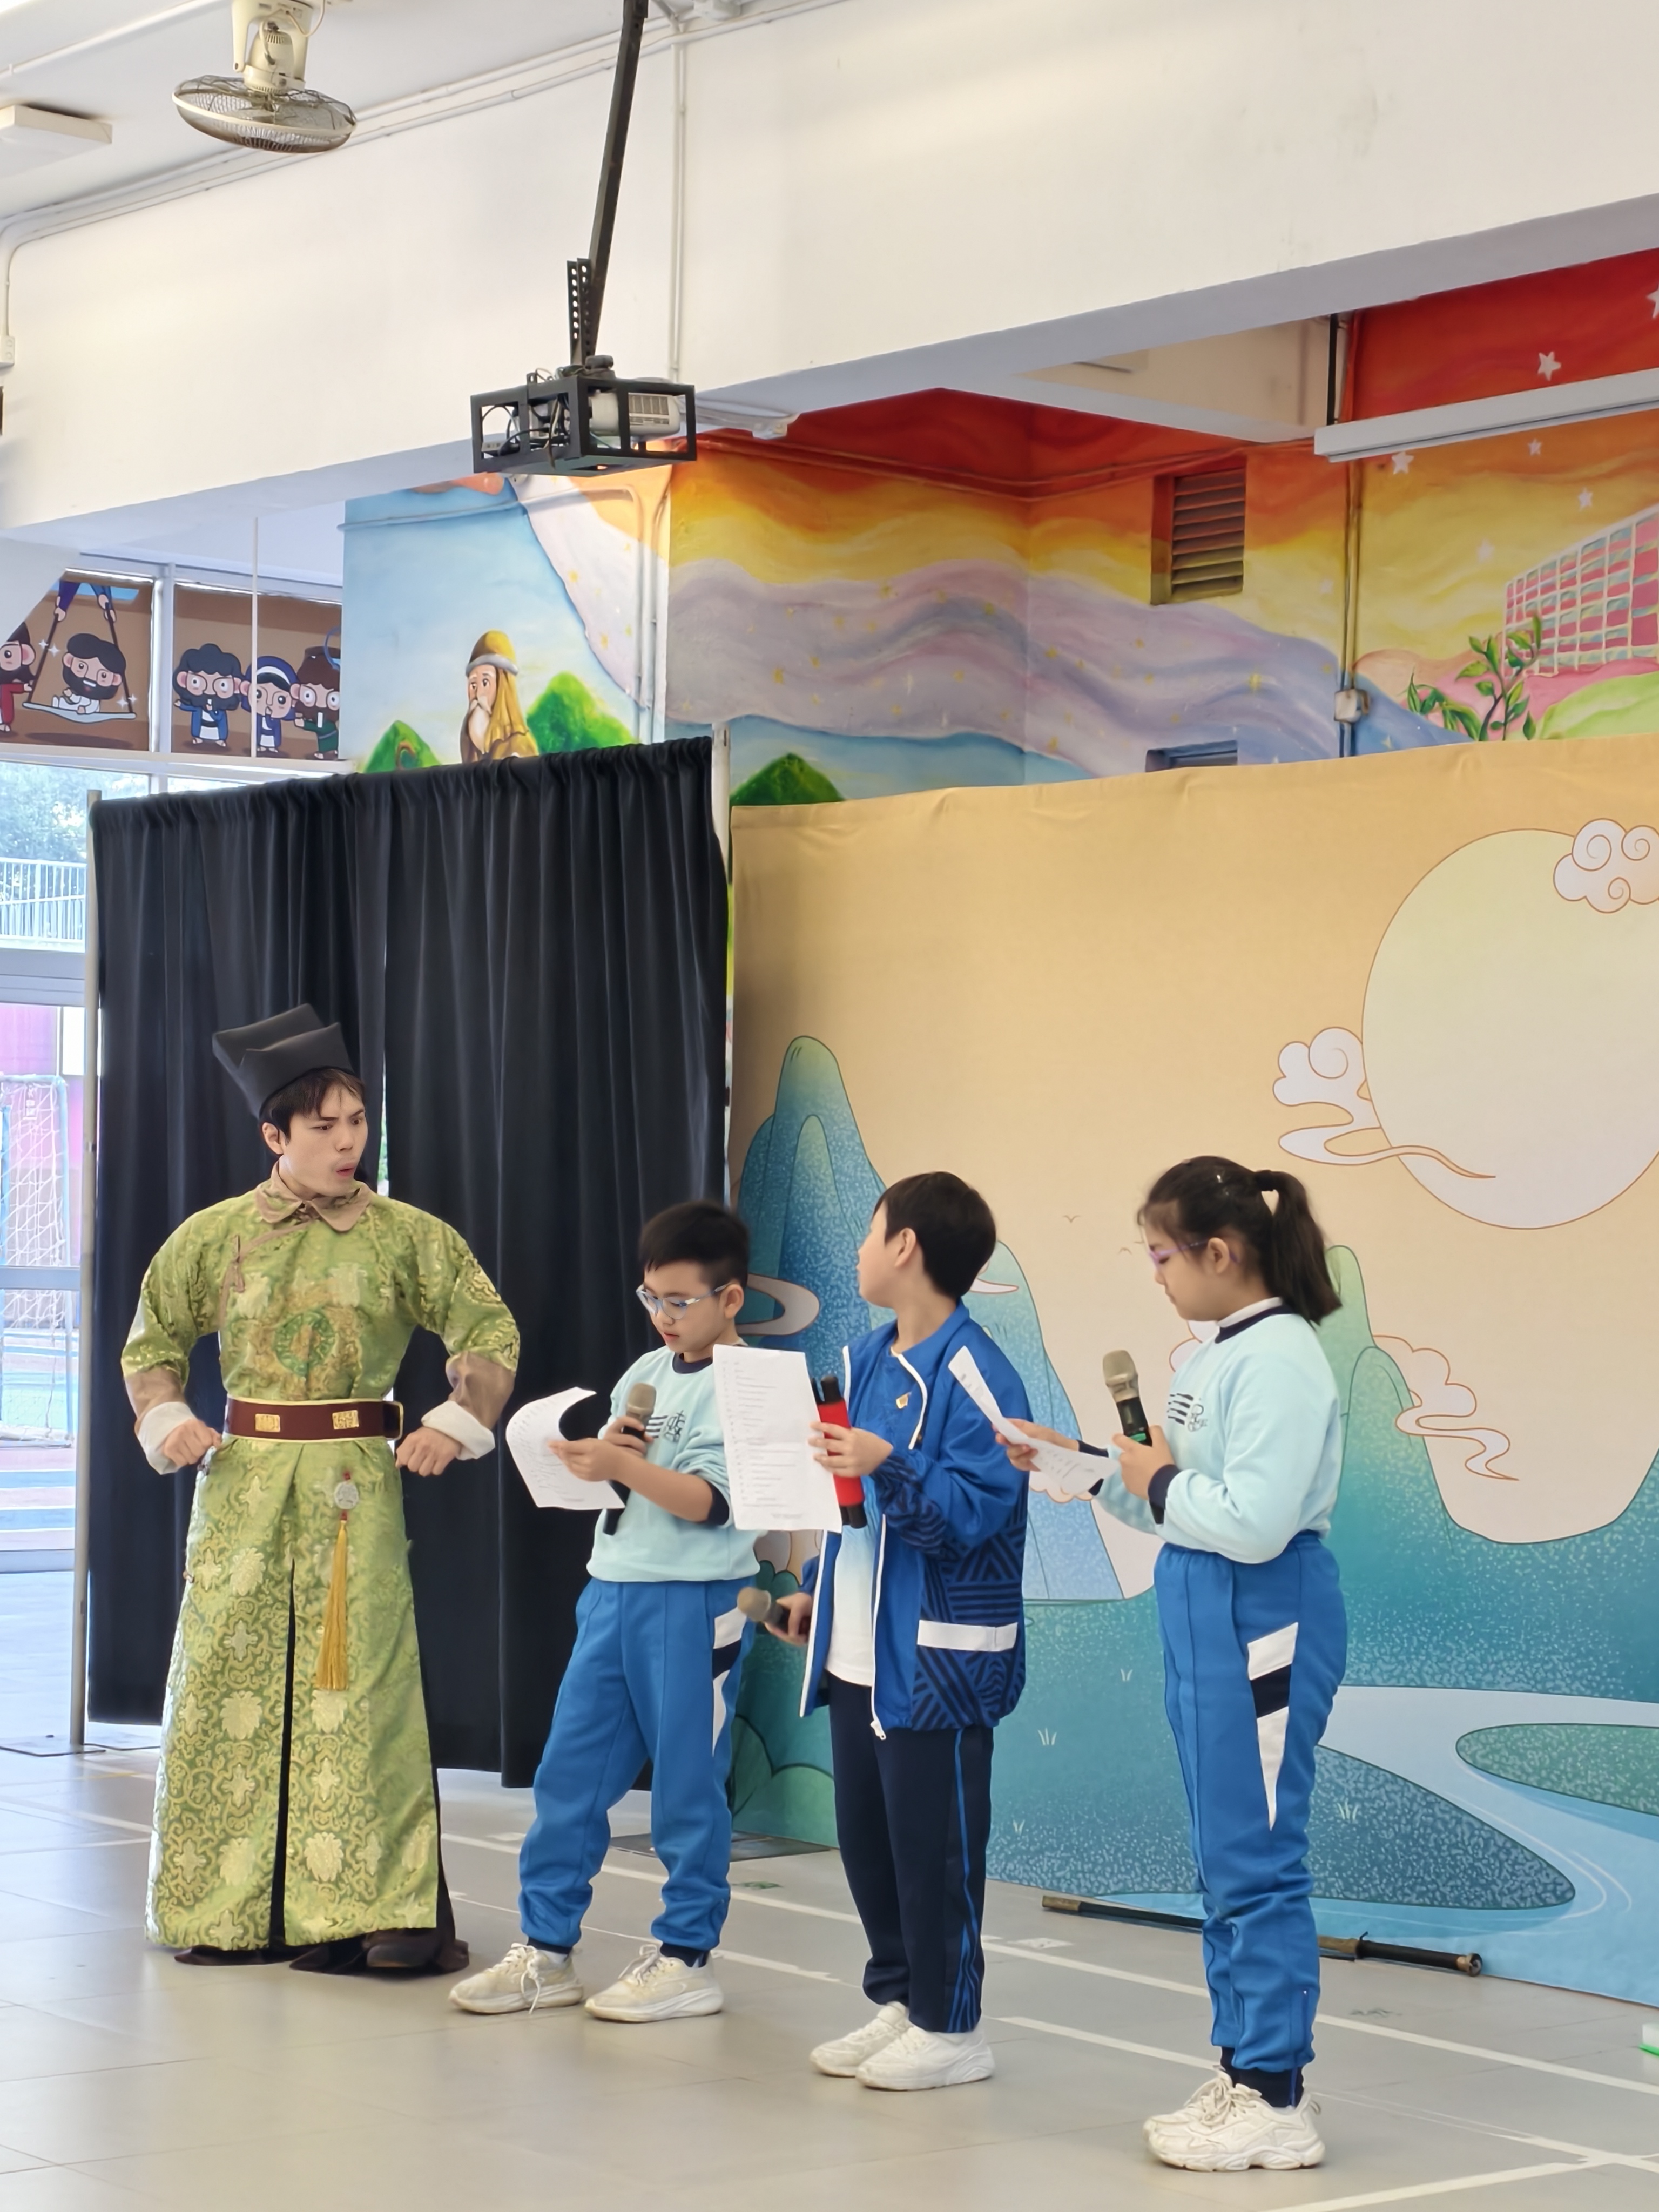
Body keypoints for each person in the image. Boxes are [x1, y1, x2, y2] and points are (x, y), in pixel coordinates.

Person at [122, 1004, 520, 1973]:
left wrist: (454, 1417)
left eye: (358, 1122)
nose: (349, 1143)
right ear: (275, 1137)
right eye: (325, 1127)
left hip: (352, 1484)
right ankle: (227, 1908)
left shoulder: (405, 1236)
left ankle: (378, 1911)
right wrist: (167, 1416)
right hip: (243, 1485)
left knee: (360, 1684)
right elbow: (152, 1338)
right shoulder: (215, 1237)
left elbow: (487, 1327)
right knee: (227, 1681)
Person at [1005, 1157, 1344, 2174]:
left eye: (1161, 1256)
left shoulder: (1279, 1357)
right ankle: (1242, 2067)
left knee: (1258, 1855)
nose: (1154, 1274)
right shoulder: (1213, 1355)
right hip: (1204, 1605)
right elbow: (1180, 1500)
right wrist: (1085, 1468)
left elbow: (1253, 1521)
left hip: (1263, 1611)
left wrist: (1154, 1479)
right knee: (1223, 1854)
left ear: (1220, 1252)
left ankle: (1277, 2095)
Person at [450, 1200, 759, 2024]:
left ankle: (687, 1956)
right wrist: (598, 1461)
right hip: (614, 1589)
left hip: (693, 1601)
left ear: (731, 1298)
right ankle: (546, 1950)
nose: (663, 1316)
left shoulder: (751, 1386)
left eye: (680, 1301)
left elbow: (711, 1504)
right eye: (651, 1298)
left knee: (686, 1787)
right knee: (571, 1778)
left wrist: (621, 1464)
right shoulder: (645, 1371)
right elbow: (636, 1478)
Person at [770, 1172, 1030, 2093]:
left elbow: (974, 1519)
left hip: (935, 1662)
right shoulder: (863, 1357)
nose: (860, 1249)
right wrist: (815, 1588)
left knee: (936, 1850)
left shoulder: (977, 1372)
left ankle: (952, 2025)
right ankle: (900, 1997)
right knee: (869, 1840)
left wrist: (894, 1461)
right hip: (857, 1652)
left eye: (870, 1231)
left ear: (906, 1246)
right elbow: (845, 1506)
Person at [459, 630, 537, 761]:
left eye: (485, 682)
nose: (478, 694)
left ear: (502, 688)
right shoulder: (469, 746)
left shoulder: (520, 746)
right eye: (473, 684)